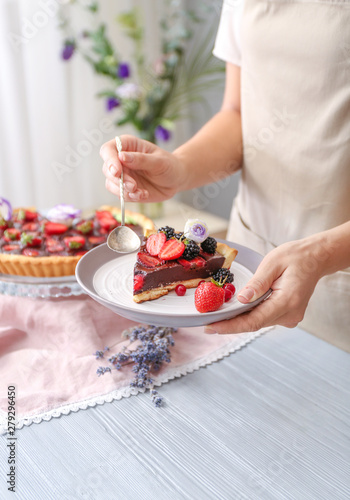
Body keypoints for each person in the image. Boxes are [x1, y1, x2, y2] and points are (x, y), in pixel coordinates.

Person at [100, 0, 350, 352]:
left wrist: (323, 254)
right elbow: (239, 113)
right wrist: (178, 168)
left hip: (339, 289)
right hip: (244, 265)